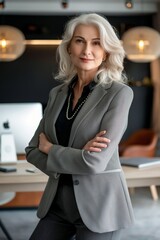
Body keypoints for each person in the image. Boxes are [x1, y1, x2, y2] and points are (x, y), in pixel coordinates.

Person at [25, 13, 135, 240]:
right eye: (79, 41)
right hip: (57, 205)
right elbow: (32, 151)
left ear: (106, 51)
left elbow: (95, 162)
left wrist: (51, 150)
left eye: (96, 43)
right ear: (68, 48)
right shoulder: (57, 94)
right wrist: (75, 156)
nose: (87, 50)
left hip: (99, 205)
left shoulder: (119, 94)